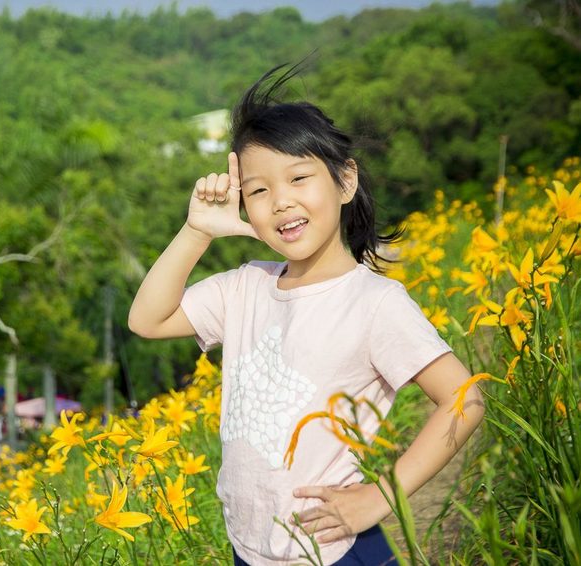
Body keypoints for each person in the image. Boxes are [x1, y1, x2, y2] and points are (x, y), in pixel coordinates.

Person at [127, 60, 485, 566]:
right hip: (249, 550)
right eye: (258, 190)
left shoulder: (374, 303)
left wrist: (381, 497)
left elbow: (464, 400)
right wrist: (197, 231)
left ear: (345, 182)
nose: (280, 202)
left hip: (334, 549)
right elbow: (147, 320)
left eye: (298, 177)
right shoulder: (246, 285)